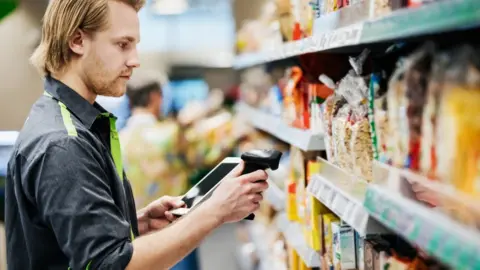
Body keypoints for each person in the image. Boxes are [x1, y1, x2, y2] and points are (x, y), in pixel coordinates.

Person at [5, 1, 269, 270]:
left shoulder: (64, 119)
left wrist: (132, 224)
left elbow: (69, 241)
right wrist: (215, 211)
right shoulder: (65, 143)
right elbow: (111, 265)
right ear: (77, 41)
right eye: (123, 44)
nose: (135, 60)